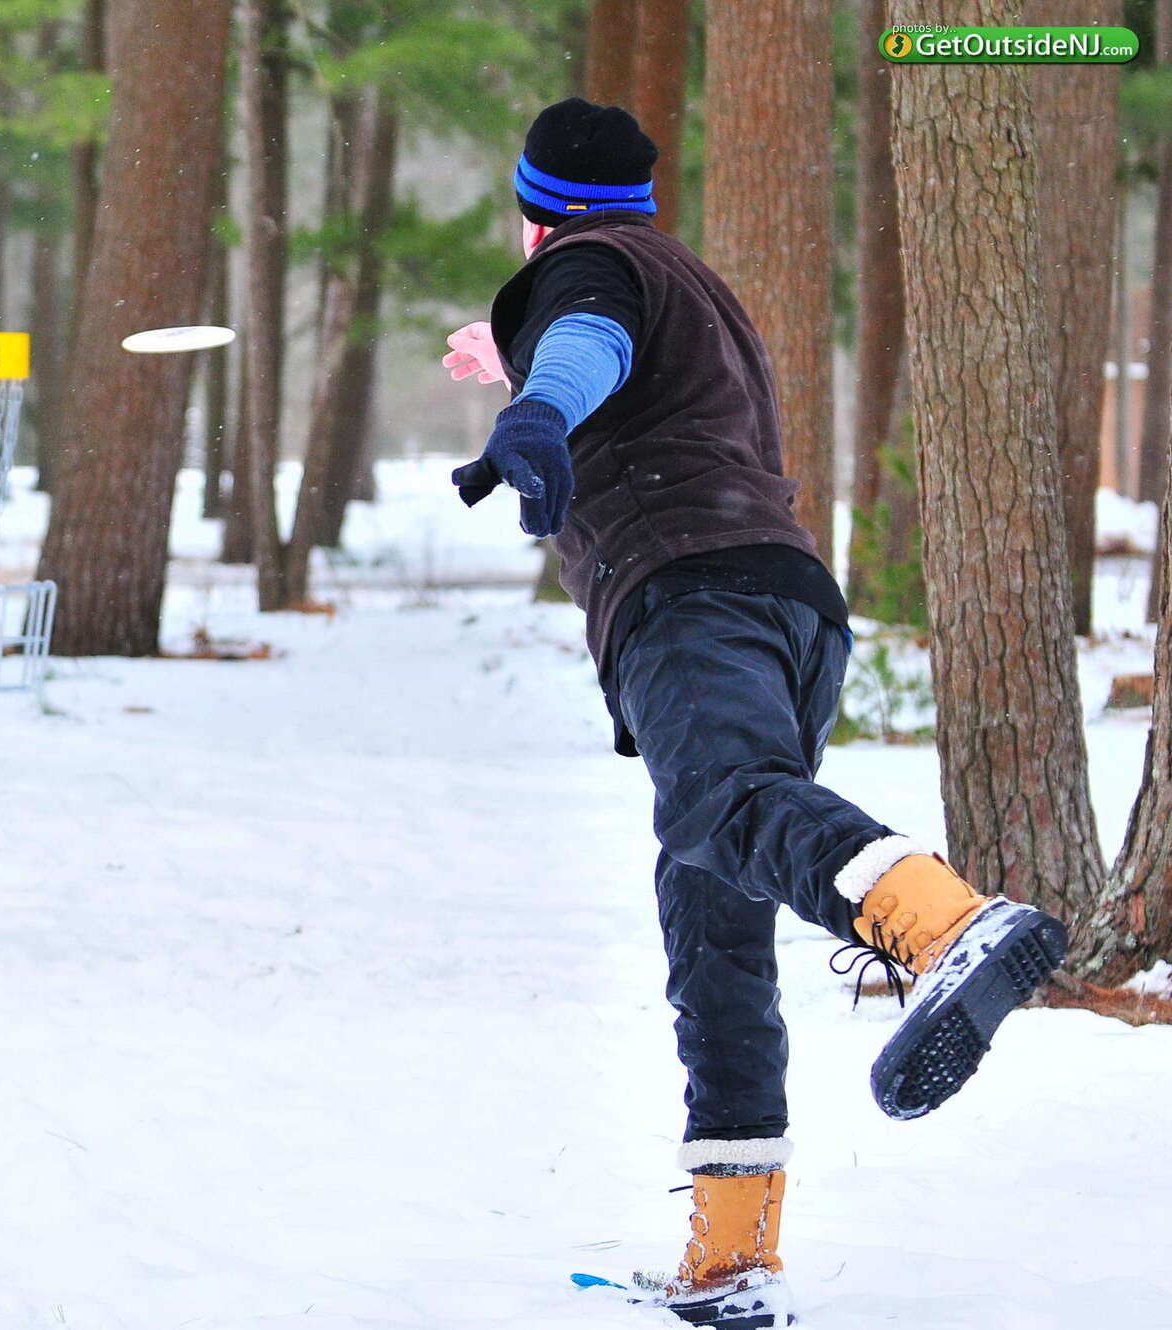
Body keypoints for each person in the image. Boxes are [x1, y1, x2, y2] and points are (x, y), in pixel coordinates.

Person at [444, 98, 1068, 1329]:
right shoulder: (681, 280)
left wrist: (534, 405)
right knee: (712, 913)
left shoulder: (585, 269)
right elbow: (608, 357)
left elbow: (587, 339)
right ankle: (730, 1258)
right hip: (784, 607)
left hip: (694, 599)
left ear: (535, 214)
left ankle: (945, 924)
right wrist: (518, 370)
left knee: (722, 806)